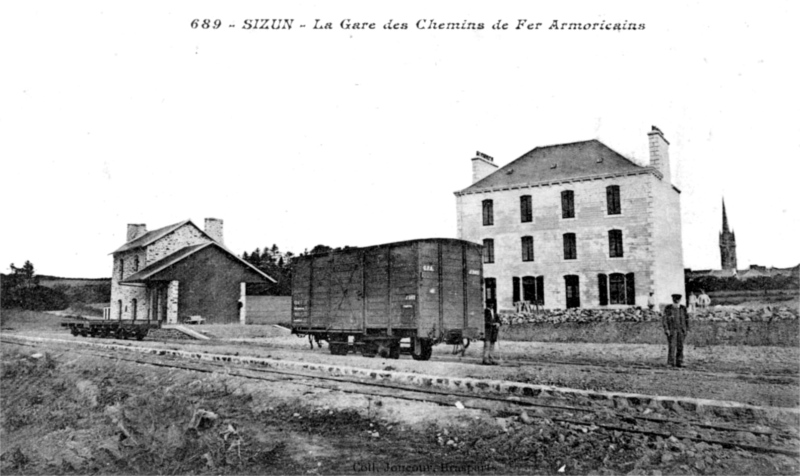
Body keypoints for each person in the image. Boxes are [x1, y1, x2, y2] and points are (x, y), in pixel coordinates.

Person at [662, 294, 689, 368]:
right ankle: (670, 362)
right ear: (673, 299)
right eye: (675, 299)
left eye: (678, 299)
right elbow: (664, 320)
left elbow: (686, 319)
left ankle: (680, 361)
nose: (676, 300)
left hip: (681, 330)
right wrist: (666, 329)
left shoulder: (683, 308)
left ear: (680, 300)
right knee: (672, 346)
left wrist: (686, 329)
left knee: (680, 346)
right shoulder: (668, 308)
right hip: (672, 330)